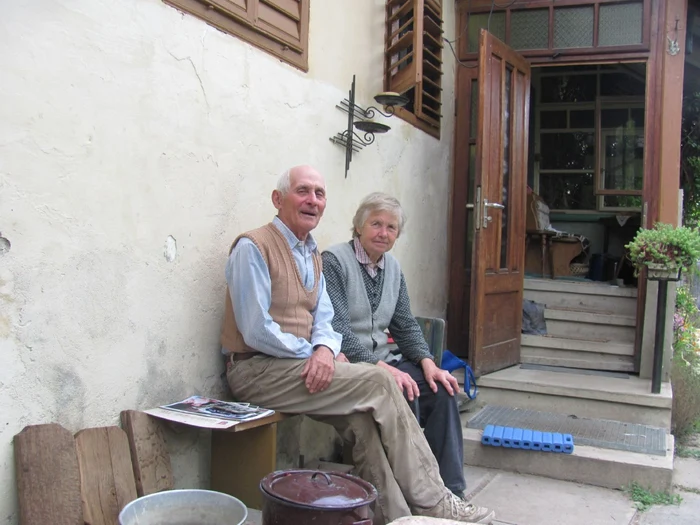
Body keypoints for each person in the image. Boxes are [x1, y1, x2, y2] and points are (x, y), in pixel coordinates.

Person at [221, 165, 495, 525]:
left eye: (319, 194)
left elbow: (324, 318)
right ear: (278, 199)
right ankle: (435, 500)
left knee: (362, 421)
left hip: (299, 367)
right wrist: (321, 352)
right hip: (256, 369)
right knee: (381, 381)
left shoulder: (310, 253)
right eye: (303, 191)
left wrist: (324, 349)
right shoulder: (253, 247)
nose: (313, 201)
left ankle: (397, 517)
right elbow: (256, 330)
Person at [322, 192, 467, 498]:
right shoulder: (334, 262)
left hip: (386, 360)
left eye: (391, 227)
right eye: (376, 224)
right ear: (359, 226)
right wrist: (382, 368)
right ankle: (409, 492)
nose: (383, 233)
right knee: (403, 390)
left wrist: (429, 363)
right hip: (353, 365)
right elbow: (337, 330)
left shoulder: (394, 269)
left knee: (443, 390)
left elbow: (405, 325)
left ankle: (450, 491)